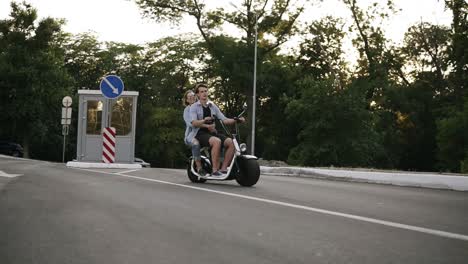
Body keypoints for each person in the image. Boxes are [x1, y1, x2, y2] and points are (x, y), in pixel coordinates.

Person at [189, 83, 245, 177]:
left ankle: (223, 169)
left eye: (206, 91)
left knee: (231, 142)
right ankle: (215, 170)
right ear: (198, 94)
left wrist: (237, 120)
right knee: (217, 141)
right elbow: (194, 123)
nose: (204, 93)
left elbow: (225, 120)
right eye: (202, 92)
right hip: (199, 133)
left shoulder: (212, 106)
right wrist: (204, 122)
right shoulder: (194, 107)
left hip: (212, 133)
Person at [183, 90, 206, 176]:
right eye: (189, 97)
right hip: (191, 136)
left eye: (193, 96)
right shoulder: (186, 110)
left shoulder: (201, 107)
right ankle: (199, 168)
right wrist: (204, 124)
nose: (192, 97)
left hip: (203, 134)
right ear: (187, 100)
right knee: (196, 144)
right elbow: (191, 124)